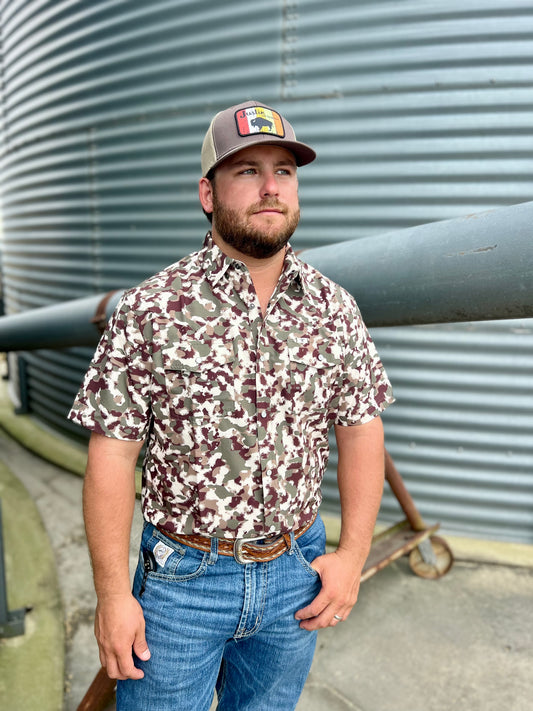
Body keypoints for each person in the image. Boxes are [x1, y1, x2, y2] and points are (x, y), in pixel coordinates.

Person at [69, 100, 394, 711]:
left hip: (297, 572)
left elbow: (361, 429)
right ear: (207, 194)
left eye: (283, 171)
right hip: (183, 584)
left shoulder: (333, 308)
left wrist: (352, 555)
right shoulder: (152, 309)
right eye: (247, 170)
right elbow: (110, 458)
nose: (271, 187)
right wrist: (113, 596)